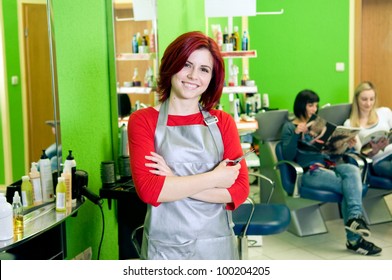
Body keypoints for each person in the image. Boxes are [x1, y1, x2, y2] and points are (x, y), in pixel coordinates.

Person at [127, 31, 249, 260]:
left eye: (204, 69)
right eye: (186, 65)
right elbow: (150, 190)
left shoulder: (223, 123)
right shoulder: (143, 120)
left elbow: (239, 191)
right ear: (171, 65)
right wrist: (214, 178)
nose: (193, 76)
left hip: (216, 248)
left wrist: (173, 179)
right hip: (165, 250)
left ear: (212, 77)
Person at [281, 89, 382, 256]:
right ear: (301, 105)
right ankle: (355, 238)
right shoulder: (289, 127)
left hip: (330, 166)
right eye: (310, 105)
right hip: (311, 172)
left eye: (316, 105)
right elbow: (288, 155)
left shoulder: (320, 125)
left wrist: (344, 144)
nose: (314, 109)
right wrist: (296, 134)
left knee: (351, 168)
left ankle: (354, 221)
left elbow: (332, 154)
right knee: (349, 187)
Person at [344, 81, 392, 179]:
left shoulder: (385, 112)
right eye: (364, 99)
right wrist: (373, 150)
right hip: (378, 161)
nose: (368, 103)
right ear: (357, 99)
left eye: (372, 99)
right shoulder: (350, 123)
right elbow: (361, 153)